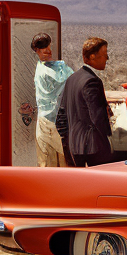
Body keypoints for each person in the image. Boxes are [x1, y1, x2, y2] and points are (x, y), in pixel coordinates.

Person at [55, 37, 114, 167]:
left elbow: (61, 116)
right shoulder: (92, 82)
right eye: (104, 55)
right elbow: (97, 116)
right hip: (94, 148)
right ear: (92, 57)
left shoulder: (71, 79)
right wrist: (109, 137)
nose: (107, 58)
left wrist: (68, 141)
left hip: (74, 147)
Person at [31, 32, 73, 167]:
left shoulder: (60, 67)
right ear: (37, 50)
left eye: (48, 46)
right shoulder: (48, 70)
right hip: (47, 122)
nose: (48, 51)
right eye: (44, 48)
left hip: (60, 121)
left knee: (63, 162)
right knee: (48, 162)